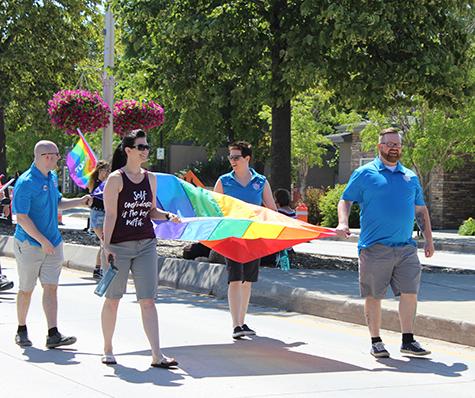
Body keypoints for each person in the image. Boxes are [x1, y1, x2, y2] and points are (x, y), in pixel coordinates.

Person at [336, 127, 435, 358]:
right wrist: (343, 222)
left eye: (397, 144)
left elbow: (421, 210)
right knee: (374, 295)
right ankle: (376, 340)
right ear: (380, 147)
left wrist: (429, 240)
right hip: (374, 248)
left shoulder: (409, 176)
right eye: (389, 144)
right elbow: (346, 200)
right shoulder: (365, 173)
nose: (394, 148)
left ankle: (408, 340)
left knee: (410, 292)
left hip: (406, 248)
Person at [101, 129, 180, 368]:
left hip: (146, 243)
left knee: (148, 300)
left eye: (147, 146)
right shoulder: (115, 179)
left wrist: (166, 215)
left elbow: (151, 211)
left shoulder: (151, 178)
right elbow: (110, 215)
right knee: (113, 299)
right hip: (120, 246)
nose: (146, 151)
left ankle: (157, 355)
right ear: (128, 150)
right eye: (141, 147)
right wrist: (107, 247)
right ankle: (107, 349)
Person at [12, 140, 92, 348]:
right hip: (30, 244)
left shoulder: (52, 176)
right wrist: (42, 241)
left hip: (53, 243)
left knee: (51, 288)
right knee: (26, 289)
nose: (58, 158)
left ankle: (53, 333)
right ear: (45, 156)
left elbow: (57, 203)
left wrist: (79, 201)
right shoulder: (25, 182)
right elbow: (22, 218)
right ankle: (21, 329)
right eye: (56, 155)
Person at [214, 141, 277, 339]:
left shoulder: (260, 181)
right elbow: (213, 208)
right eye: (230, 157)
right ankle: (235, 325)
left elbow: (272, 209)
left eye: (236, 157)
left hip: (253, 237)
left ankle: (242, 321)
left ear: (247, 158)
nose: (232, 161)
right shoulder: (223, 181)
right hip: (232, 237)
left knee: (247, 281)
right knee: (234, 278)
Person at [88, 160, 111, 279]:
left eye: (108, 170)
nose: (107, 173)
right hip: (97, 214)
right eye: (105, 170)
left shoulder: (108, 182)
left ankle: (99, 268)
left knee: (104, 243)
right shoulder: (96, 184)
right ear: (99, 171)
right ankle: (100, 269)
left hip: (106, 214)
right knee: (104, 242)